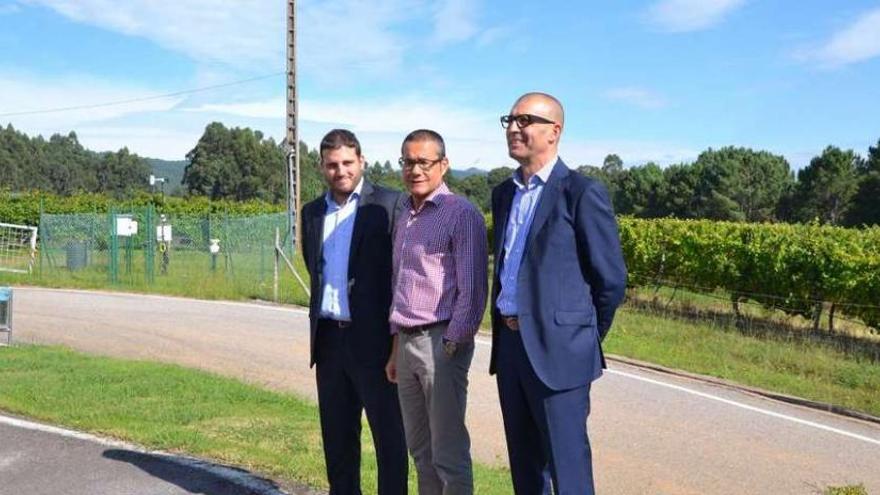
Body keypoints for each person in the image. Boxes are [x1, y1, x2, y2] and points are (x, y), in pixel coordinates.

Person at [489, 93, 627, 494]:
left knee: (568, 472)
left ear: (555, 131)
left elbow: (611, 281)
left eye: (525, 120)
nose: (514, 128)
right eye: (510, 120)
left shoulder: (581, 192)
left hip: (560, 351)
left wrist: (581, 337)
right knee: (526, 471)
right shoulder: (504, 194)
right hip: (512, 349)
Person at [301, 129, 408, 495]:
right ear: (321, 167)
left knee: (389, 440)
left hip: (376, 343)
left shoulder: (390, 205)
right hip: (329, 341)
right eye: (332, 165)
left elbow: (399, 276)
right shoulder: (312, 212)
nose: (340, 171)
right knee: (338, 440)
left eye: (348, 162)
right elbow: (314, 268)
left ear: (362, 161)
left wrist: (396, 344)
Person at [386, 129, 488, 495]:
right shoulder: (406, 214)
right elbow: (402, 282)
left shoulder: (461, 214)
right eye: (408, 162)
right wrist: (397, 349)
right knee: (421, 451)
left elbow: (473, 291)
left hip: (440, 342)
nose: (415, 170)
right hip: (407, 343)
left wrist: (451, 346)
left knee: (448, 454)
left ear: (443, 165)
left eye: (424, 162)